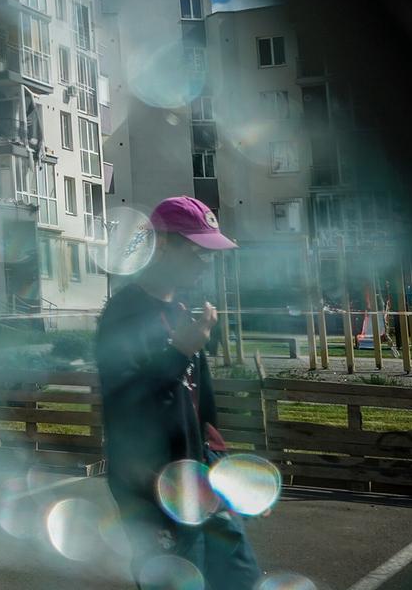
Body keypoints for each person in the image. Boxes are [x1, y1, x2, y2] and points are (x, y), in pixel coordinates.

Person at [96, 196, 263, 590]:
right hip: (152, 485)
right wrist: (178, 353)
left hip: (199, 476)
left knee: (241, 579)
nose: (206, 261)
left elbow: (198, 405)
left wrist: (220, 465)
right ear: (164, 244)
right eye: (197, 250)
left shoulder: (182, 309)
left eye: (210, 252)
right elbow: (124, 404)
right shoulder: (125, 312)